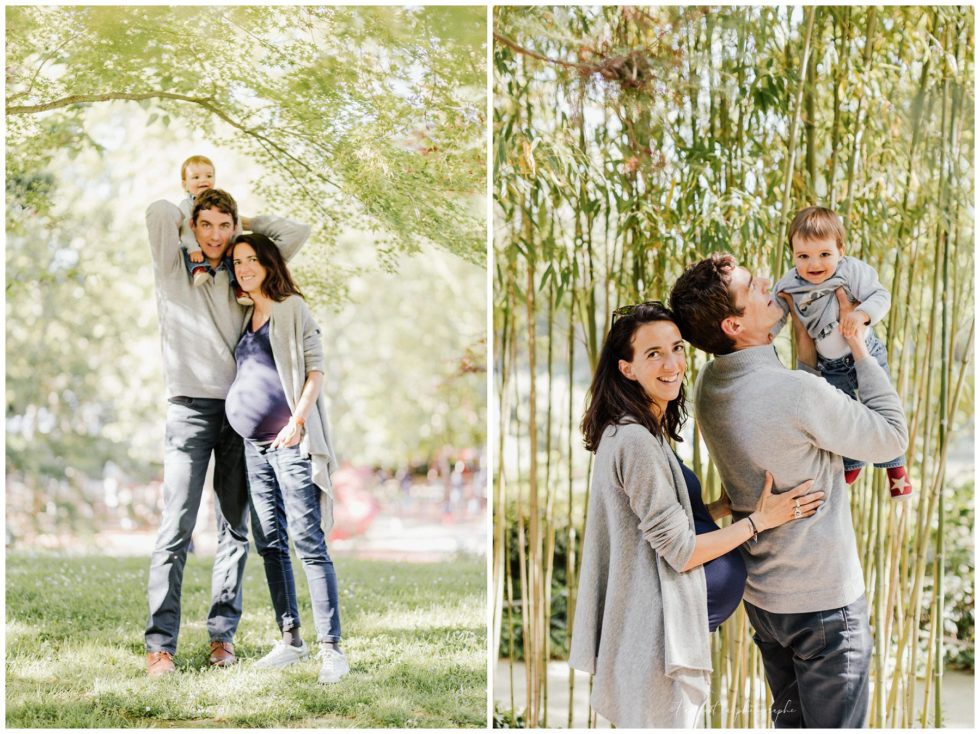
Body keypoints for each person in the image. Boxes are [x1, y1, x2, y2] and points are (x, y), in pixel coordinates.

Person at [669, 254, 909, 728]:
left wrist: (804, 352)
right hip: (824, 603)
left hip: (766, 603)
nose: (767, 282)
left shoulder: (709, 384)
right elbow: (891, 437)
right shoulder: (797, 393)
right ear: (734, 323)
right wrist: (858, 347)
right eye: (751, 286)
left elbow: (783, 417)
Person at [567, 301, 824, 728]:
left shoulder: (640, 430)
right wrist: (761, 520)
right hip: (654, 644)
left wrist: (721, 508)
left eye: (677, 348)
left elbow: (650, 525)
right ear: (627, 368)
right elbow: (681, 552)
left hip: (659, 637)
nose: (672, 364)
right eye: (654, 354)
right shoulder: (634, 442)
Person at [144, 188, 310, 677]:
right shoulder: (175, 268)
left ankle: (222, 638)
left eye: (224, 225)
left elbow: (296, 234)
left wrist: (243, 224)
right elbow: (158, 211)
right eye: (206, 224)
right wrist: (190, 203)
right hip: (189, 409)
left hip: (239, 413)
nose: (216, 235)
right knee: (175, 527)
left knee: (234, 529)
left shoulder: (243, 271)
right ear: (193, 226)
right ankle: (160, 647)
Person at [226, 232, 347, 685]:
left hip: (289, 440)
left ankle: (332, 649)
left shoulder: (291, 307)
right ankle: (291, 638)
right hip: (253, 447)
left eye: (252, 259)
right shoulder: (244, 313)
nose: (243, 268)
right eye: (237, 261)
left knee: (308, 541)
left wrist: (297, 421)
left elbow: (315, 371)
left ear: (270, 261)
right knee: (270, 542)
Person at [772, 206, 911, 498]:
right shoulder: (789, 284)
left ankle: (895, 468)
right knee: (843, 415)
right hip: (830, 366)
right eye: (803, 256)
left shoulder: (851, 270)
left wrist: (860, 316)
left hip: (867, 352)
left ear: (841, 250)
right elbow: (776, 315)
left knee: (880, 408)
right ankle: (851, 461)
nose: (814, 264)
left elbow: (881, 295)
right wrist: (767, 334)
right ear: (792, 255)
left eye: (824, 254)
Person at [176, 154, 252, 305]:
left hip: (220, 247)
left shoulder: (222, 201)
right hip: (195, 246)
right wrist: (193, 248)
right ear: (185, 185)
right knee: (184, 251)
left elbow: (236, 224)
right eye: (196, 177)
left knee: (232, 261)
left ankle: (240, 289)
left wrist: (234, 245)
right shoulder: (186, 206)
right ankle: (198, 269)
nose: (203, 180)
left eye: (208, 176)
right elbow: (185, 229)